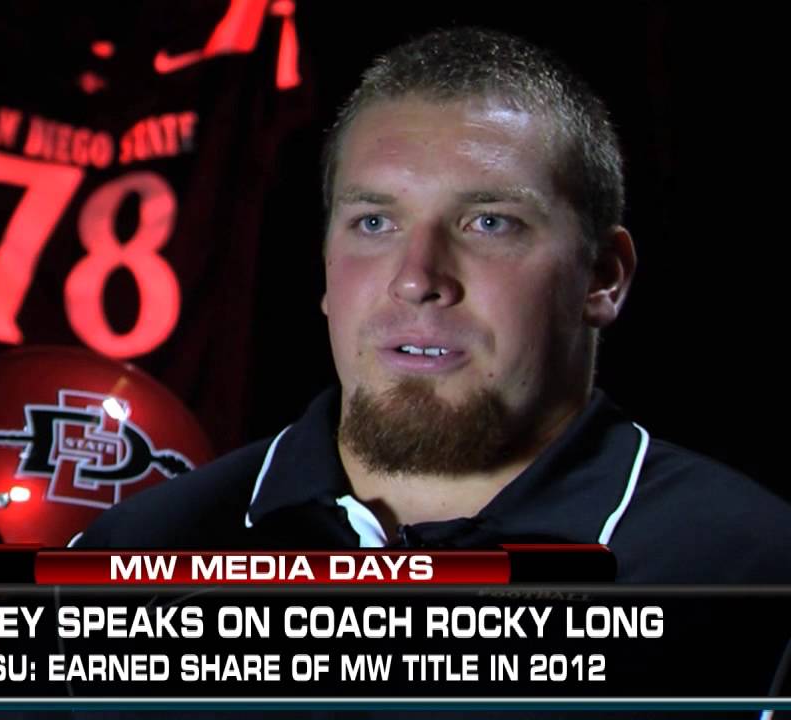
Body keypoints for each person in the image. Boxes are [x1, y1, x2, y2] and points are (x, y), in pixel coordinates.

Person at [73, 27, 791, 583]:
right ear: (325, 265)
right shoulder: (131, 561)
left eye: (489, 223)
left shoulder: (747, 573)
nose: (417, 278)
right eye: (375, 223)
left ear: (603, 277)